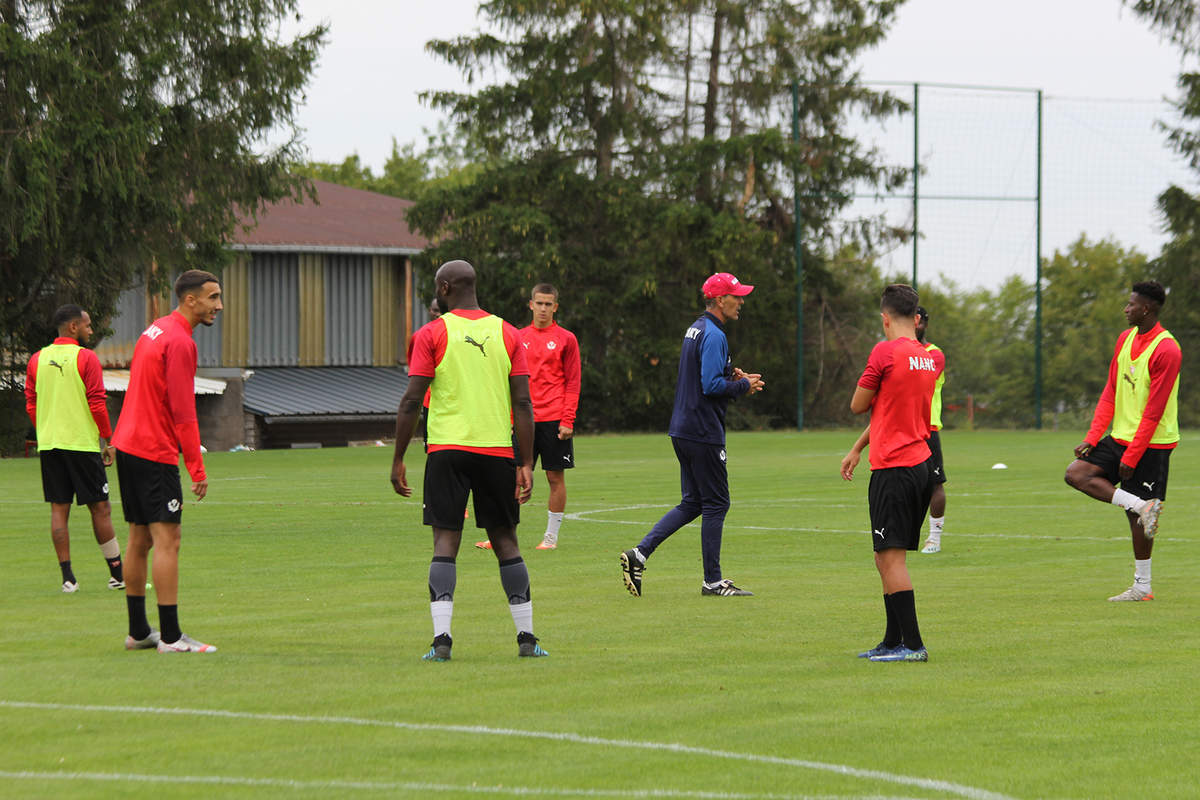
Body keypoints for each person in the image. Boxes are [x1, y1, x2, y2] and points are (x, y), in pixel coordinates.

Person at [391, 259, 548, 661]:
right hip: (497, 451)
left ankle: (441, 641)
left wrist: (398, 459)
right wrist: (526, 462)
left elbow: (412, 400)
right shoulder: (508, 333)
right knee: (506, 541)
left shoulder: (432, 333)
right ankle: (527, 638)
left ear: (444, 289)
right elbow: (524, 403)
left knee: (446, 541)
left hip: (447, 451)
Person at [619, 272, 764, 598]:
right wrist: (743, 385)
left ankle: (639, 555)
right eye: (736, 296)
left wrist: (734, 376)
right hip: (702, 431)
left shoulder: (696, 329)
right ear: (719, 299)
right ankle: (712, 581)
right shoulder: (714, 334)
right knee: (717, 503)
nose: (740, 301)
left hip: (683, 428)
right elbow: (711, 385)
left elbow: (709, 375)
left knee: (694, 502)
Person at [111, 269, 222, 653]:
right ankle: (171, 637)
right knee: (167, 540)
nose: (218, 306)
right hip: (152, 450)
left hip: (127, 443)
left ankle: (139, 631)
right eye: (213, 298)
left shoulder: (155, 329)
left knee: (138, 539)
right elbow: (183, 412)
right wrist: (197, 467)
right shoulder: (179, 342)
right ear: (190, 300)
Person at [839, 284, 938, 663]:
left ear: (885, 318)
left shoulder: (884, 351)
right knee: (887, 556)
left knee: (891, 559)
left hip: (895, 467)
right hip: (920, 463)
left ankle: (912, 645)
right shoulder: (926, 358)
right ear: (915, 318)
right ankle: (891, 640)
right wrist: (858, 448)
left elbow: (857, 405)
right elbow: (892, 411)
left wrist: (873, 391)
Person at [1065, 280, 1179, 602]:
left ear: (1147, 308)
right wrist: (1092, 437)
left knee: (1136, 522)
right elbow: (1111, 392)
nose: (1125, 308)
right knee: (1076, 473)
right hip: (1120, 437)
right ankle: (1142, 505)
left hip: (1153, 444)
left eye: (1131, 304)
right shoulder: (1125, 339)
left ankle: (1142, 586)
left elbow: (1154, 413)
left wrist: (1133, 455)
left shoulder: (1167, 350)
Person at [24, 305, 125, 593]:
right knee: (100, 508)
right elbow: (96, 402)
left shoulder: (37, 359)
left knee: (59, 508)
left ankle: (68, 579)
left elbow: (31, 402)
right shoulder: (86, 358)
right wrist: (108, 439)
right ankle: (117, 574)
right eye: (88, 325)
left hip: (51, 444)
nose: (91, 330)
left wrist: (44, 429)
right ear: (73, 327)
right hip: (81, 443)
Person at [476, 283, 580, 551]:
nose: (543, 308)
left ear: (555, 307)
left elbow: (573, 381)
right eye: (539, 303)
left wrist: (568, 419)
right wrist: (506, 416)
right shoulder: (516, 337)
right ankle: (502, 534)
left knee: (555, 478)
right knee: (510, 478)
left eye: (549, 304)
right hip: (523, 421)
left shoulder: (566, 339)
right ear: (530, 304)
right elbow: (506, 381)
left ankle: (550, 538)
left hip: (554, 419)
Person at [915, 306, 948, 553]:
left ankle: (934, 539)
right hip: (901, 428)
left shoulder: (934, 354)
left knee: (935, 483)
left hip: (927, 428)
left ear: (923, 323)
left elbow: (918, 382)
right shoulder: (896, 351)